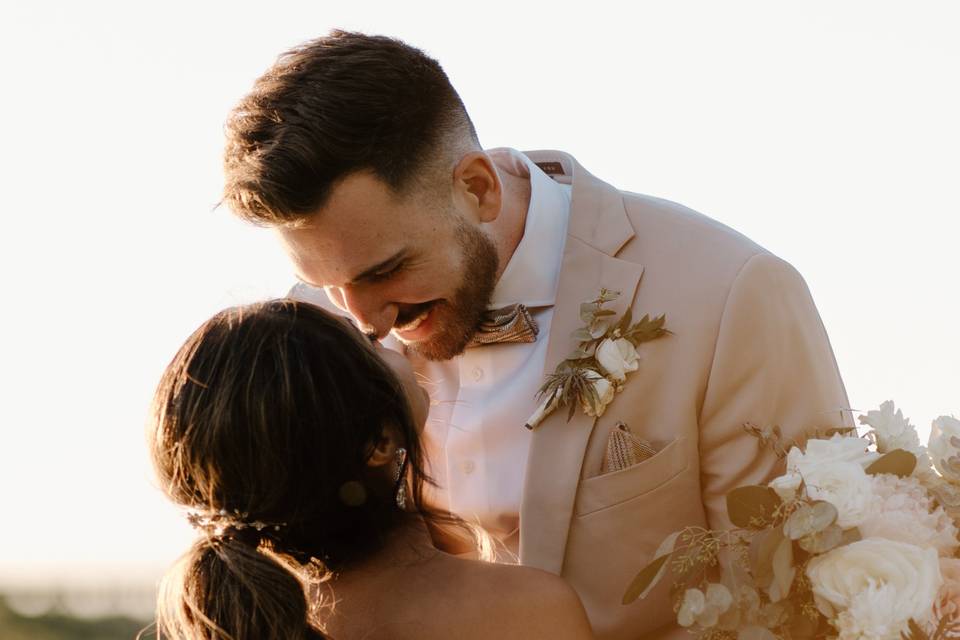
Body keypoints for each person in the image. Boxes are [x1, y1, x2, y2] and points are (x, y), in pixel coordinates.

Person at [220, 31, 852, 639]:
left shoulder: (729, 292)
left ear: (477, 188)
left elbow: (791, 605)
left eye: (386, 271)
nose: (364, 321)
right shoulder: (315, 332)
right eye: (326, 283)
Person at [148, 300, 594, 639]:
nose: (390, 336)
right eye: (369, 343)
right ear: (379, 442)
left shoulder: (251, 621)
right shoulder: (521, 611)